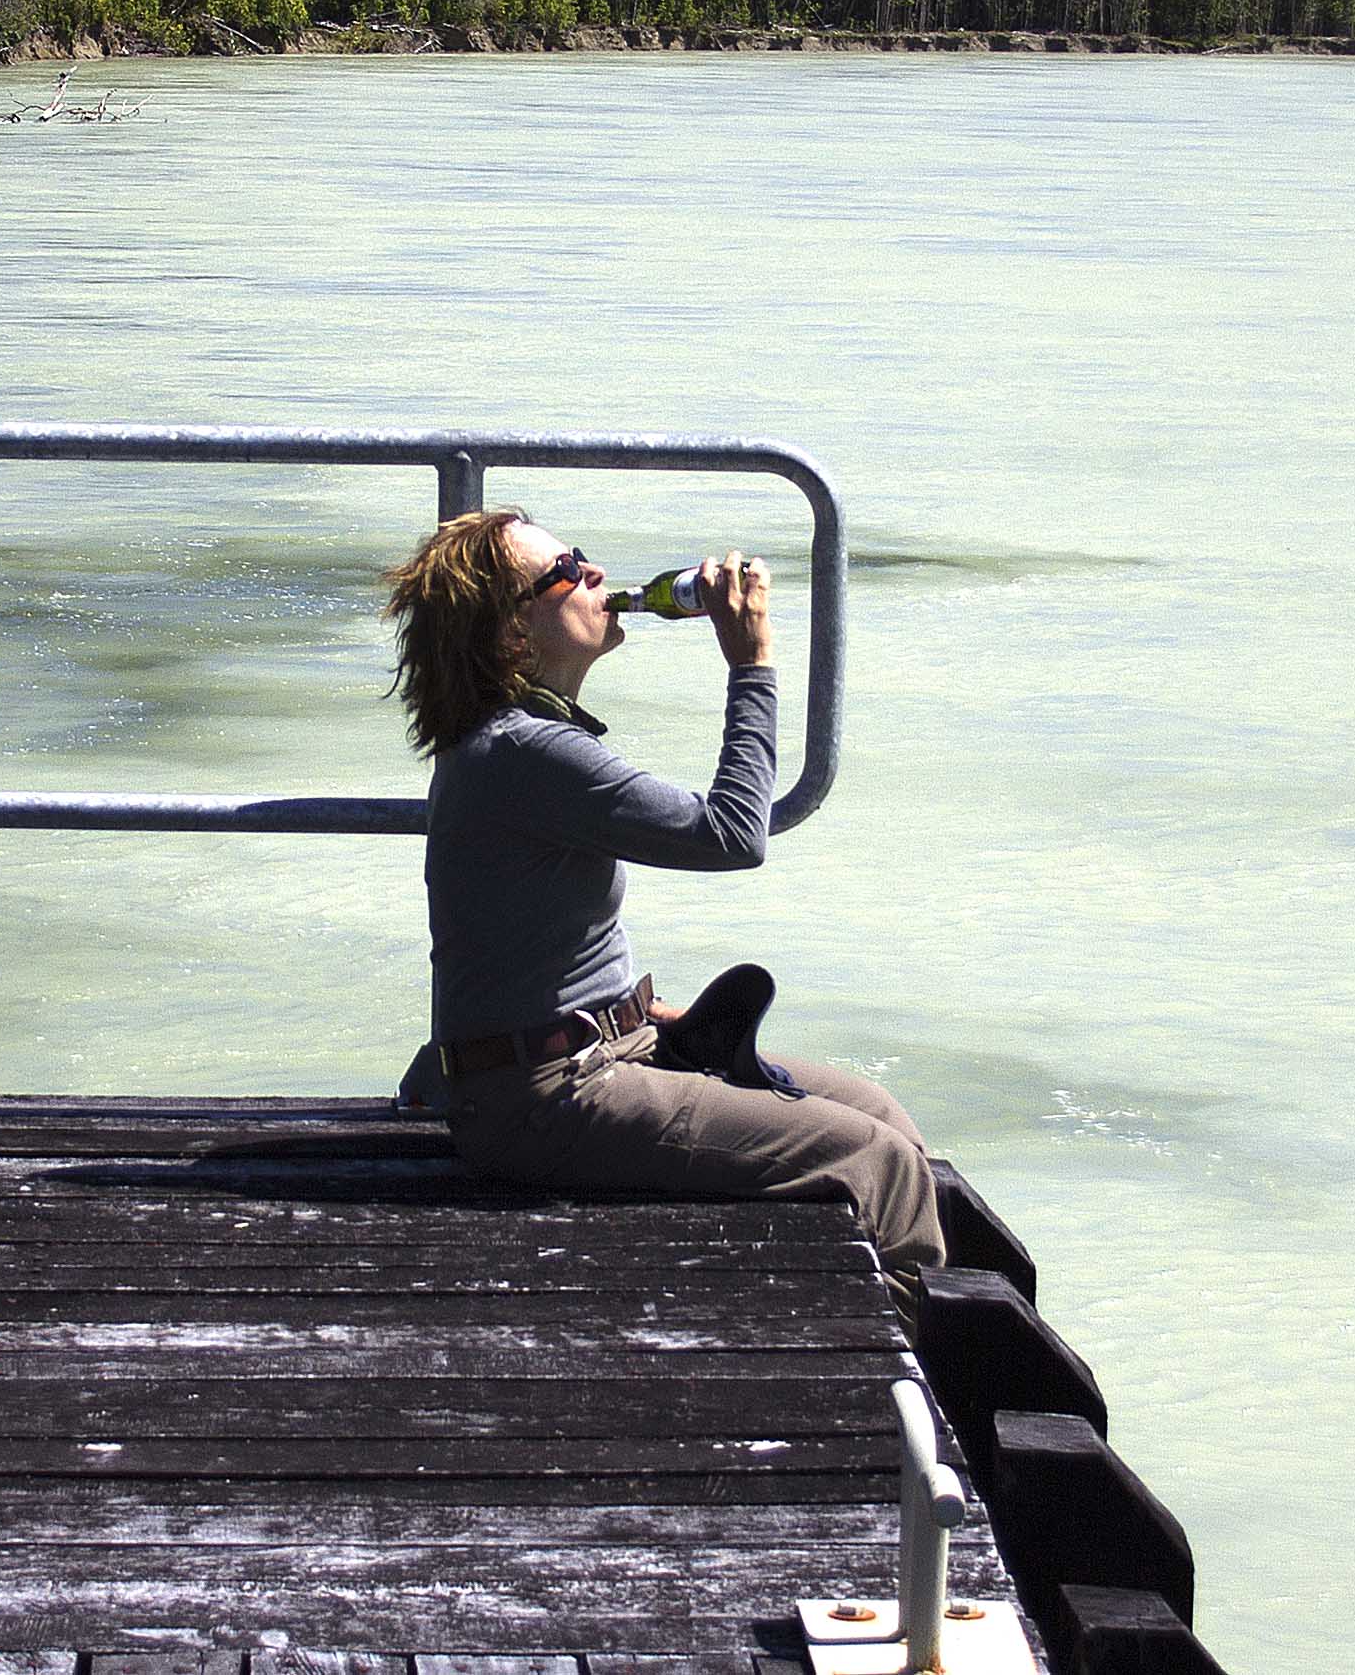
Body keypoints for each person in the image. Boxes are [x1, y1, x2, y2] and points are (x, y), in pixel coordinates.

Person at [384, 508, 943, 1289]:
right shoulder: (525, 751)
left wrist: (635, 1015)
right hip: (545, 1099)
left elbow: (535, 947)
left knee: (879, 1112)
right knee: (874, 1159)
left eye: (583, 555)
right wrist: (751, 663)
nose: (594, 573)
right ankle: (916, 1343)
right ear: (512, 630)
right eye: (566, 570)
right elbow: (733, 833)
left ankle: (929, 1303)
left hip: (597, 1054)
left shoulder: (520, 742)